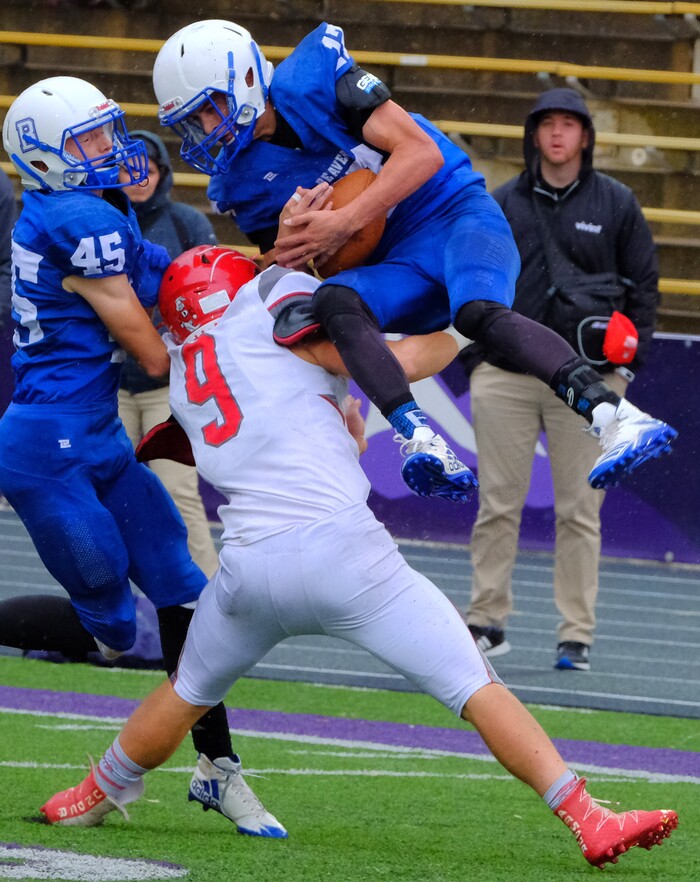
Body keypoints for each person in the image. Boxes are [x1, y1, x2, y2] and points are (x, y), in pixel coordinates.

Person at [40, 224, 678, 870]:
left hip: (250, 568)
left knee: (186, 691)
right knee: (474, 685)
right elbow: (390, 362)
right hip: (341, 551)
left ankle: (98, 789)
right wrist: (467, 323)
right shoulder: (268, 306)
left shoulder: (183, 373)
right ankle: (587, 817)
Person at [149, 18, 676, 505]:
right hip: (397, 258)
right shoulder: (239, 180)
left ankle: (615, 415)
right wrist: (287, 245)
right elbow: (303, 265)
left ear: (243, 77)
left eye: (208, 107)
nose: (204, 127)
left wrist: (347, 218)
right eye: (191, 120)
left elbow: (419, 154)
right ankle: (419, 435)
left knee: (476, 312)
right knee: (335, 299)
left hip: (451, 211)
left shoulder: (313, 79)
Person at [0, 75, 286, 838]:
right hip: (47, 450)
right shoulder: (71, 218)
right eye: (88, 140)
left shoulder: (99, 210)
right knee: (114, 631)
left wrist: (254, 276)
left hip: (96, 436)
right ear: (45, 155)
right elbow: (149, 351)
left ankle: (219, 770)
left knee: (185, 594)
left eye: (105, 132)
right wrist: (220, 341)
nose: (108, 149)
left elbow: (166, 273)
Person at [465, 88, 661, 672]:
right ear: (533, 135)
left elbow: (644, 286)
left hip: (592, 379)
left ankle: (575, 634)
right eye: (546, 124)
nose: (556, 134)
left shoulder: (618, 202)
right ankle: (486, 621)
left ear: (584, 136)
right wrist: (476, 361)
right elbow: (474, 278)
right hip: (507, 374)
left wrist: (627, 365)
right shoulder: (502, 203)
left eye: (567, 125)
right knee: (497, 503)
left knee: (581, 510)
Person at [118, 129, 219, 579]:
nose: (137, 178)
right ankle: (120, 613)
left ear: (162, 174)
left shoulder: (186, 223)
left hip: (171, 386)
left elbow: (212, 296)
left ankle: (214, 596)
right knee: (113, 496)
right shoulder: (97, 224)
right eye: (126, 169)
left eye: (148, 169)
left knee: (178, 492)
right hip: (109, 386)